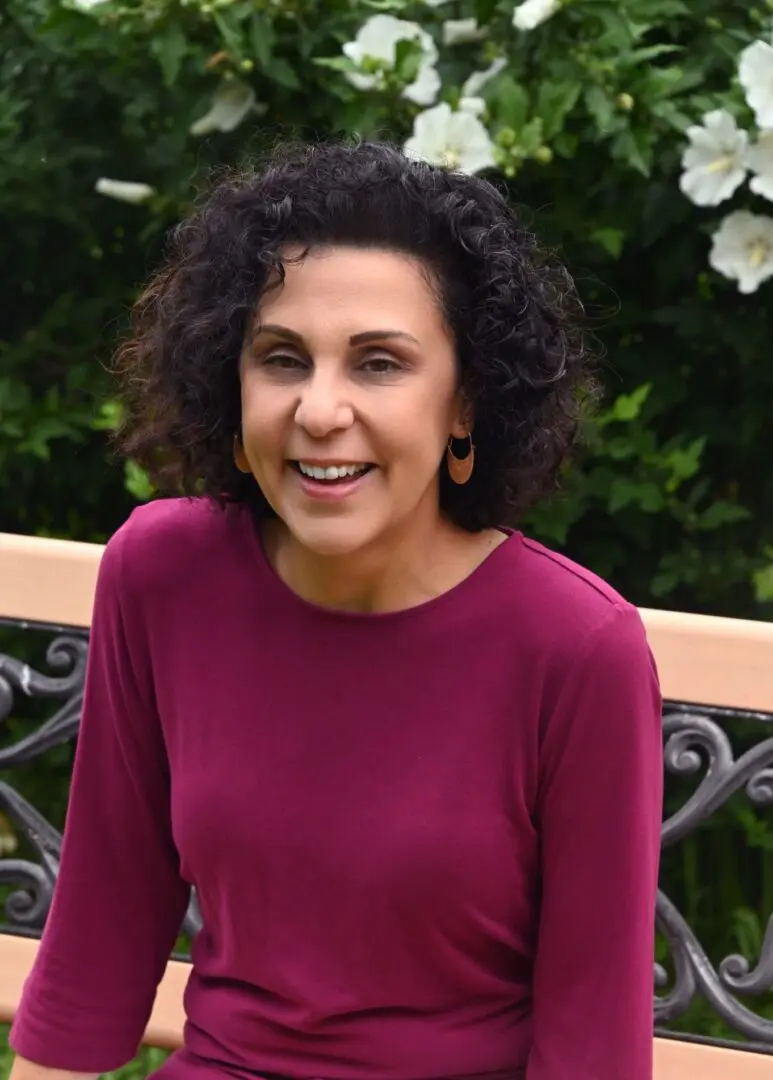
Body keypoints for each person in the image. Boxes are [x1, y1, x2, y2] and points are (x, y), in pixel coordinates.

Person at [9, 139, 663, 1080]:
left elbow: (590, 1049)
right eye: (282, 359)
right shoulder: (164, 574)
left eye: (378, 364)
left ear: (464, 402)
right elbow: (102, 929)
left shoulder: (575, 649)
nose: (319, 410)